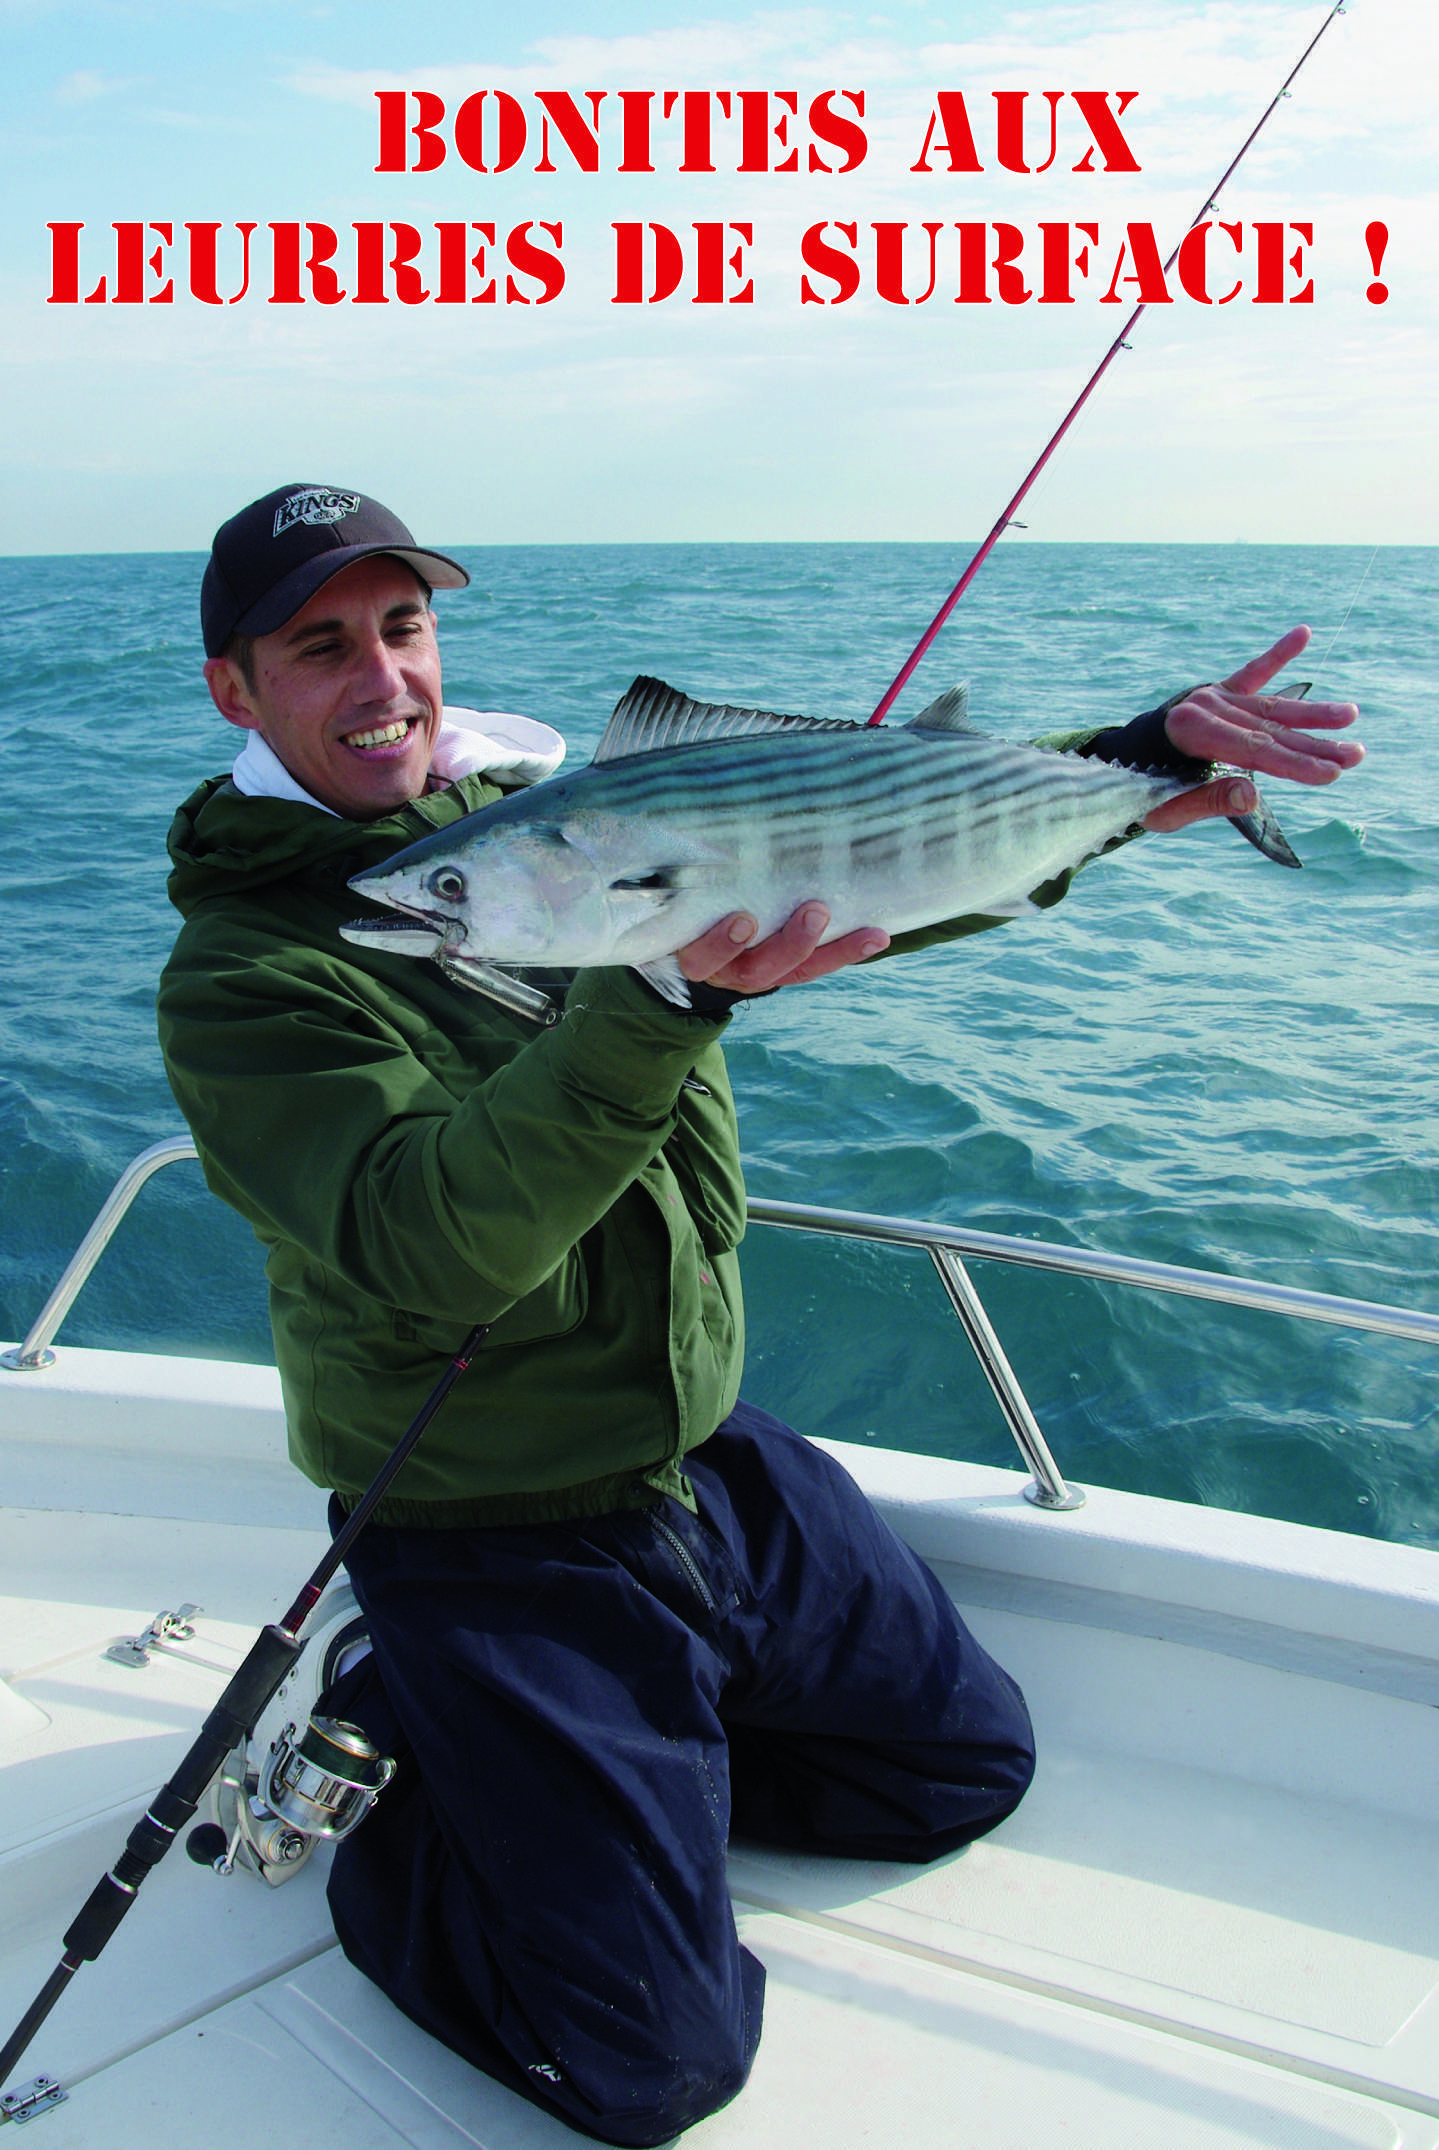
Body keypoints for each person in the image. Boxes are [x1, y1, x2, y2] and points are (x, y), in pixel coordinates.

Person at [158, 484, 1362, 2146]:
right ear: (238, 689)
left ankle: (601, 1768)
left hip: (692, 1450)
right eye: (320, 646)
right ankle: (428, 1776)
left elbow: (840, 849)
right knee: (653, 2064)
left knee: (955, 1771)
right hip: (484, 1511)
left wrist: (1135, 763)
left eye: (403, 627)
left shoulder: (558, 815)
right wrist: (658, 995)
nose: (383, 677)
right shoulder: (252, 969)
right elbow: (427, 1245)